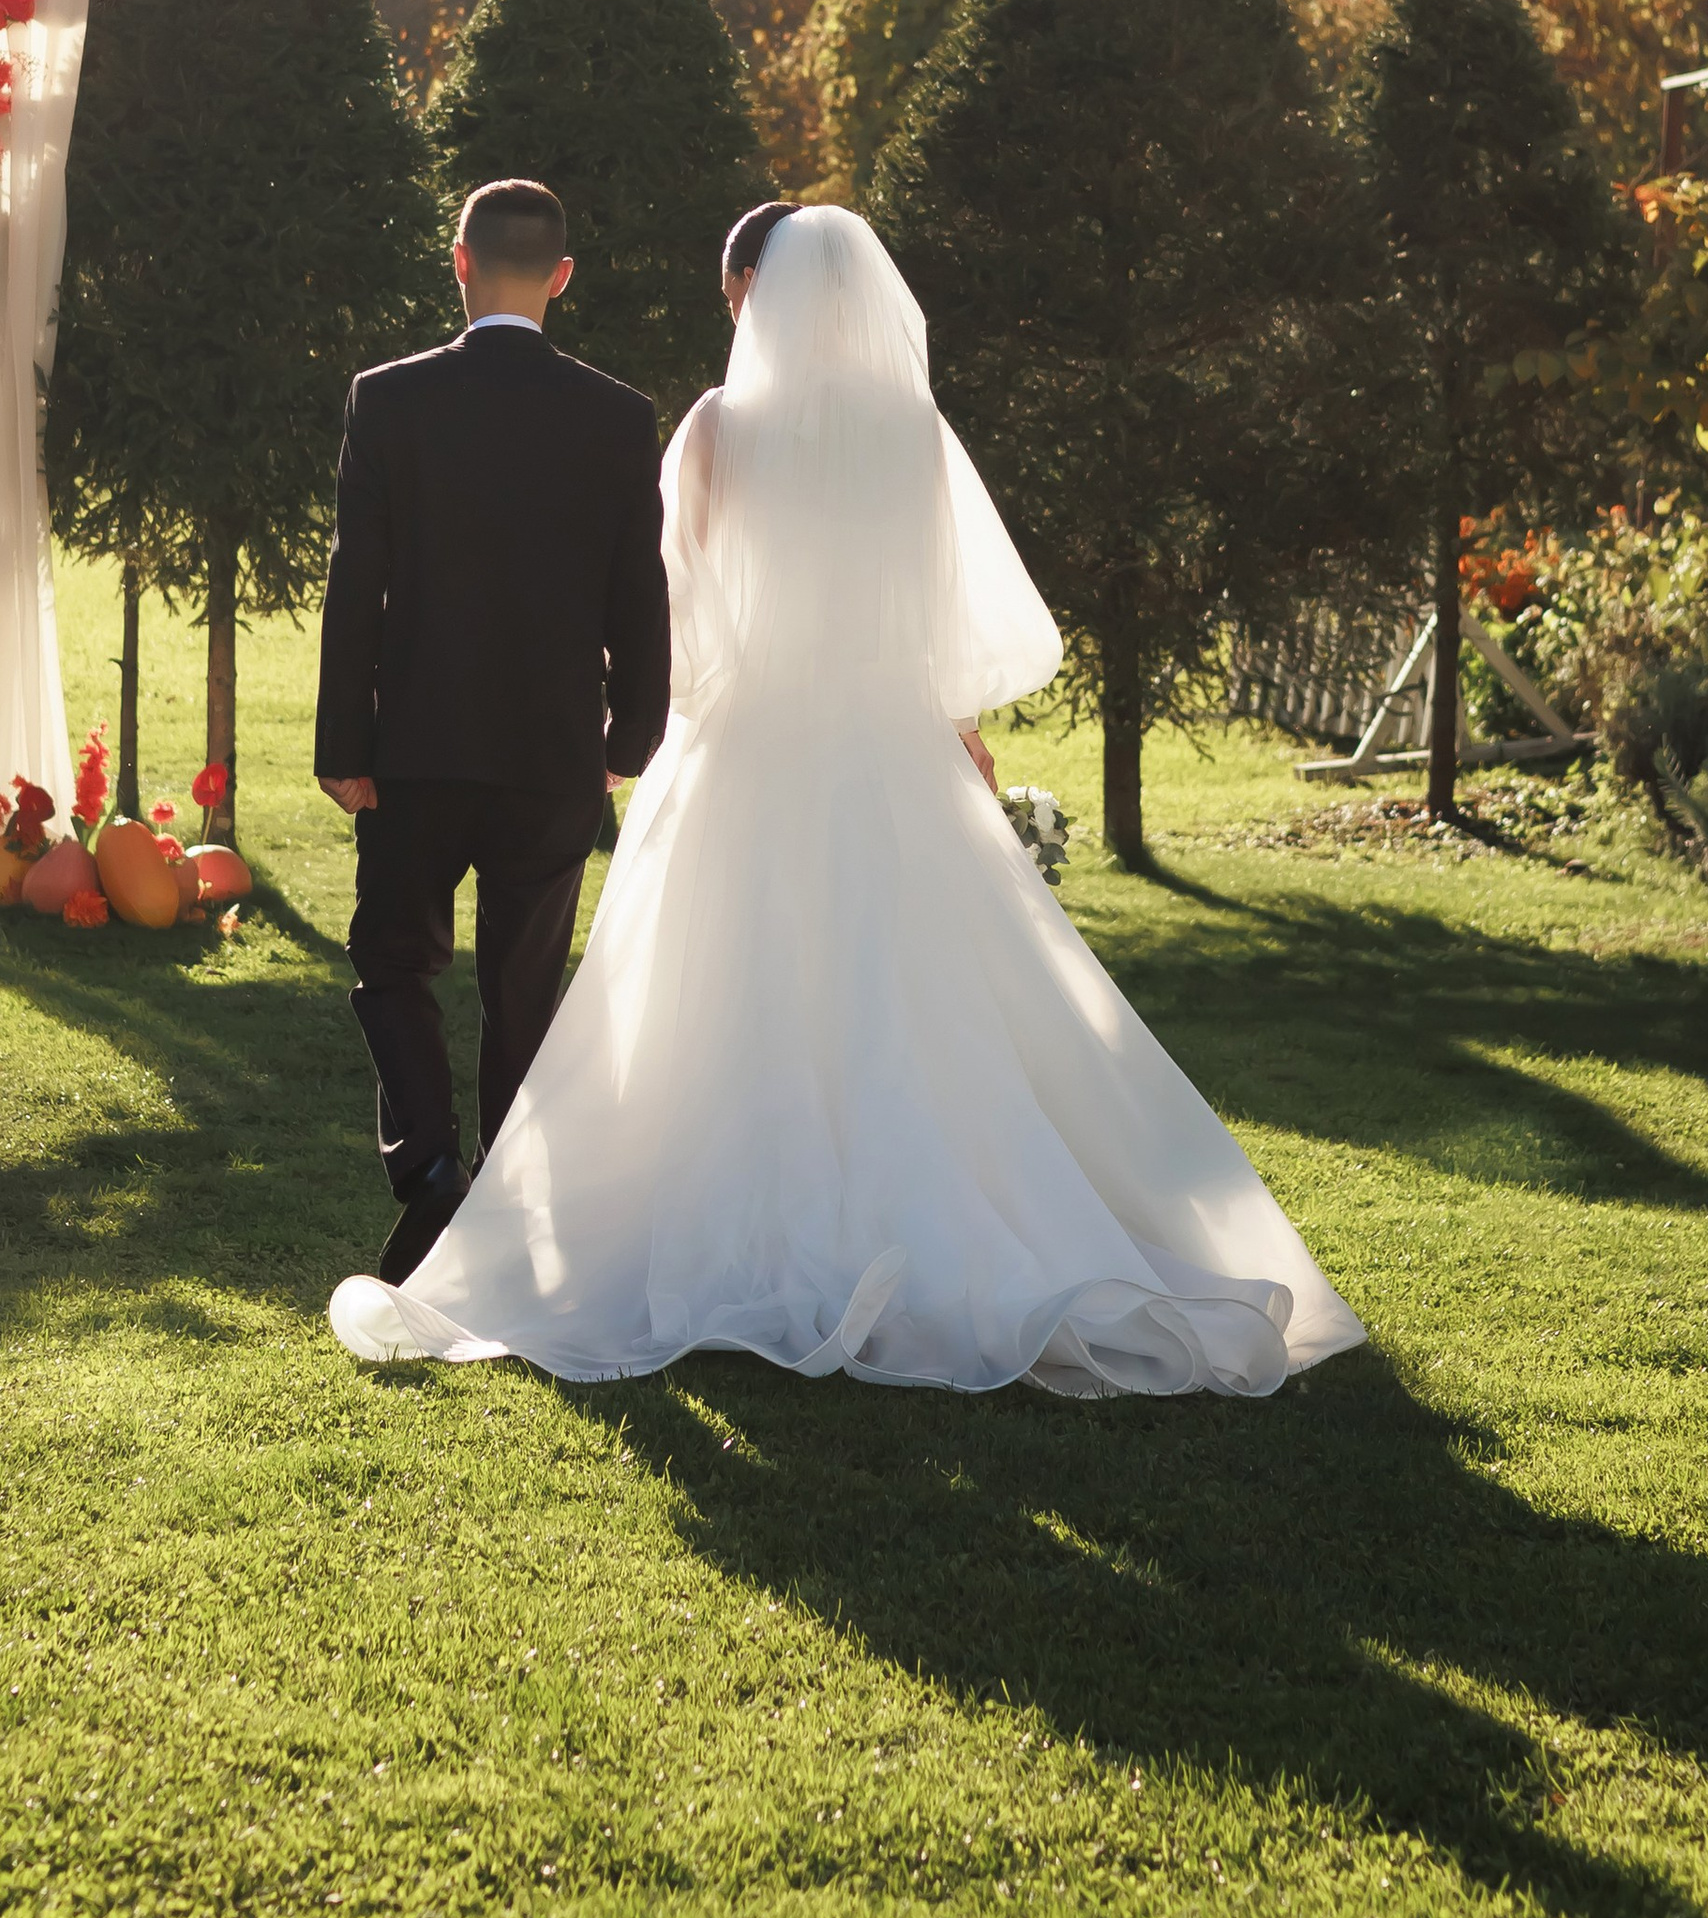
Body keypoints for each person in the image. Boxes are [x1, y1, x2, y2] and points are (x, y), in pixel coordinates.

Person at [330, 201, 1364, 1397]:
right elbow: (938, 605)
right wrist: (952, 728)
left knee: (715, 995)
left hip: (749, 748)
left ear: (753, 294)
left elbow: (675, 608)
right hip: (888, 752)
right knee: (908, 997)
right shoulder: (914, 434)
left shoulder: (717, 429)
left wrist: (662, 717)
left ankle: (669, 1218)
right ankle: (933, 1211)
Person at [314, 176, 672, 1288]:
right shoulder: (620, 418)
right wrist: (630, 740)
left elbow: (355, 585)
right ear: (562, 277)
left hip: (414, 751)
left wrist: (343, 747)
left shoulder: (388, 400)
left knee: (391, 961)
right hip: (554, 753)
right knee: (525, 990)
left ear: (458, 261)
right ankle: (506, 1208)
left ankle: (431, 1171)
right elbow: (640, 596)